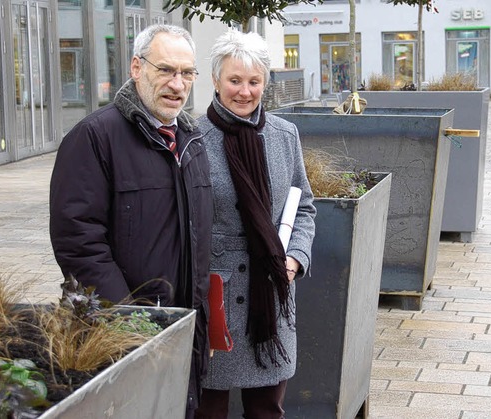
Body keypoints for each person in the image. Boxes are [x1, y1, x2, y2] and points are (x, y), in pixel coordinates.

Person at [49, 24, 212, 418]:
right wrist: (127, 321)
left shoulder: (191, 140)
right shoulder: (94, 137)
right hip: (128, 336)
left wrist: (201, 319)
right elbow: (79, 242)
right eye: (166, 70)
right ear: (136, 68)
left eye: (187, 73)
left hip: (184, 330)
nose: (178, 84)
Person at [194, 30, 316, 419]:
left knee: (267, 409)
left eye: (254, 81)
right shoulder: (193, 138)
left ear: (266, 82)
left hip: (271, 296)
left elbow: (305, 207)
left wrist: (294, 258)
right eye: (234, 80)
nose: (244, 92)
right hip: (216, 297)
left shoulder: (284, 135)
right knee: (206, 409)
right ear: (215, 80)